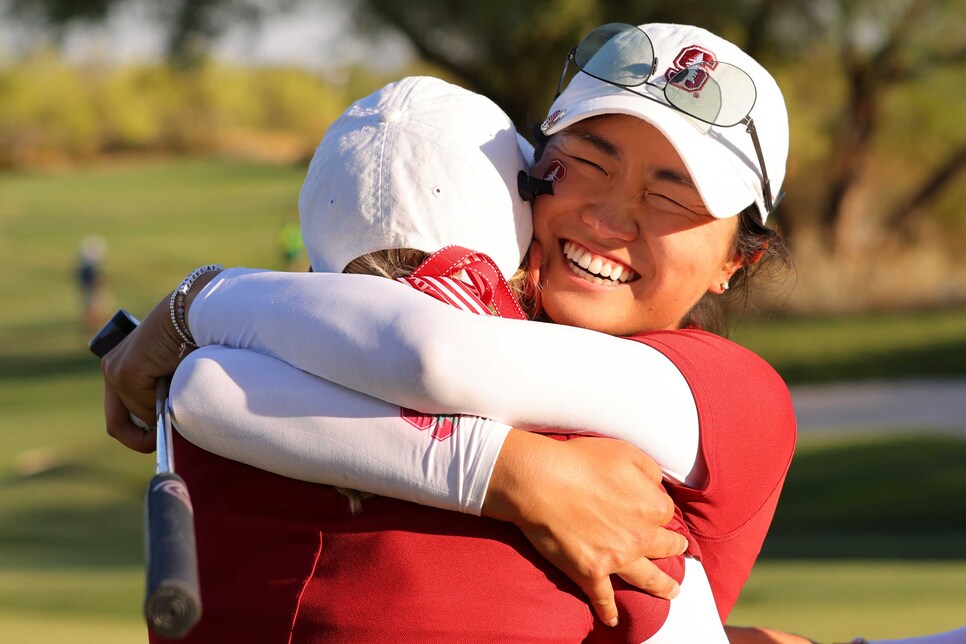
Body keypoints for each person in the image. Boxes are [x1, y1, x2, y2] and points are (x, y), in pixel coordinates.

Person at [103, 22, 796, 641]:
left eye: (672, 195)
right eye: (587, 162)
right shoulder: (335, 342)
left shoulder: (732, 394)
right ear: (528, 175)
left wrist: (200, 301)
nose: (609, 216)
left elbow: (430, 357)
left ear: (737, 259)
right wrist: (516, 473)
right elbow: (210, 392)